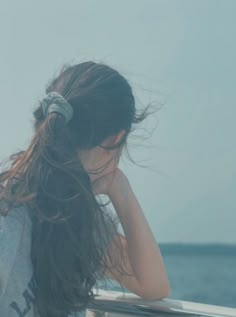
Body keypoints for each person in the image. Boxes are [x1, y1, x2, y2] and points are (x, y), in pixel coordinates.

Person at [0, 61, 170, 317]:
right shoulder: (16, 217)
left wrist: (122, 192)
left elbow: (153, 285)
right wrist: (122, 193)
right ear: (115, 140)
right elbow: (154, 286)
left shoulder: (77, 216)